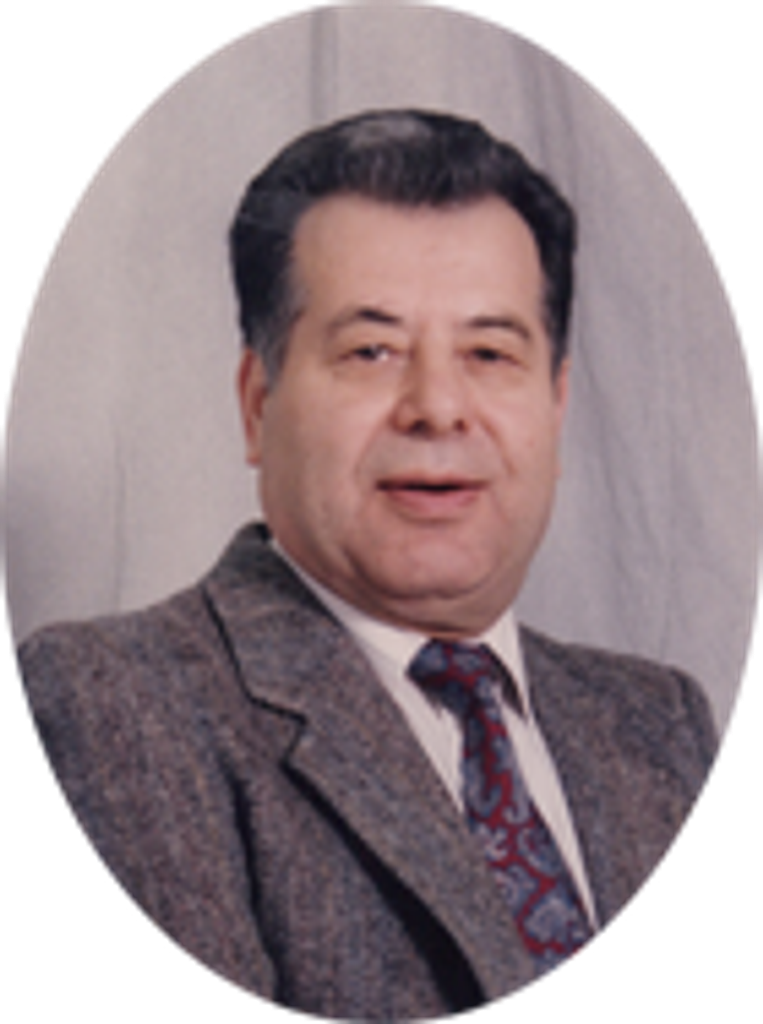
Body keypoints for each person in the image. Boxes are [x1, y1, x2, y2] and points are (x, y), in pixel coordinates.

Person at [14, 110, 720, 1020]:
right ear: (257, 404)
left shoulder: (656, 721)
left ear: (554, 403)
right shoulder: (118, 701)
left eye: (489, 353)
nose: (437, 407)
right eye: (371, 351)